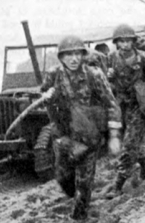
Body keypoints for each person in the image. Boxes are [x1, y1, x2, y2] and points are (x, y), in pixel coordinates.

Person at [40, 35, 122, 220]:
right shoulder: (54, 75)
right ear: (61, 57)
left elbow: (111, 105)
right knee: (62, 178)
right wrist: (48, 96)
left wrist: (114, 136)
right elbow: (44, 98)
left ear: (83, 55)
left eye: (77, 53)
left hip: (89, 135)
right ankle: (77, 198)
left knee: (84, 183)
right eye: (69, 54)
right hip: (64, 136)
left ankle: (79, 216)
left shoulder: (94, 75)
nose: (74, 58)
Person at [105, 24, 145, 199]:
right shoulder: (111, 58)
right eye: (121, 41)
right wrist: (109, 77)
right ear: (116, 43)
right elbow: (106, 85)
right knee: (131, 140)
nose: (125, 45)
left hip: (139, 106)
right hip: (121, 106)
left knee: (129, 144)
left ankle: (118, 183)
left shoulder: (144, 58)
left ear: (134, 42)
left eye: (128, 41)